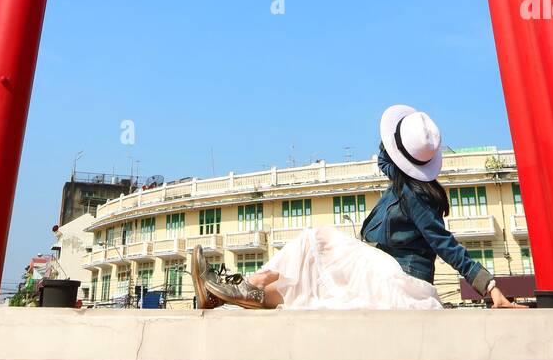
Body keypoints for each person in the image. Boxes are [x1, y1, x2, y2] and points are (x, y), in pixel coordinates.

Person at [192, 105, 523, 311]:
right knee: (307, 288)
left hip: (401, 281)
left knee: (316, 239)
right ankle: (225, 295)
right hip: (383, 275)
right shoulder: (399, 188)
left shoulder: (415, 195)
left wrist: (489, 287)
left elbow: (444, 244)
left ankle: (244, 284)